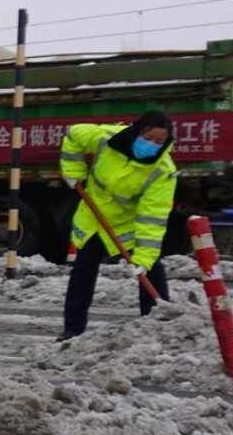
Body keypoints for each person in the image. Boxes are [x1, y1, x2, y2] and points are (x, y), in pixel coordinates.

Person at [58, 110, 176, 340]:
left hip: (126, 223)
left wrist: (143, 259)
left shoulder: (162, 171)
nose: (152, 145)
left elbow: (152, 217)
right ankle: (72, 329)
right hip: (95, 214)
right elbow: (73, 134)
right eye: (148, 138)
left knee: (151, 270)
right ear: (137, 132)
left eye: (159, 142)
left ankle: (155, 327)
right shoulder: (107, 139)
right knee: (83, 270)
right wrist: (74, 172)